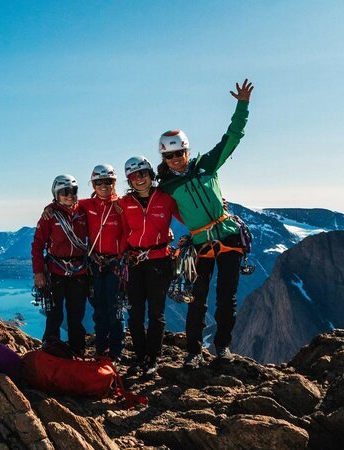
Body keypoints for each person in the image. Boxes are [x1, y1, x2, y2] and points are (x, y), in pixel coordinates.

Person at [156, 79, 254, 369]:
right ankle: (194, 352)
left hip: (228, 236)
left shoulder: (207, 164)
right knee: (197, 298)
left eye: (179, 153)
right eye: (169, 156)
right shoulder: (166, 187)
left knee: (226, 297)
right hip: (201, 243)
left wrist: (242, 105)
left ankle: (222, 347)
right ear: (164, 158)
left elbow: (232, 138)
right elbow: (156, 208)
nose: (175, 159)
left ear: (187, 151)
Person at [118, 156, 178, 375]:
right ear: (129, 180)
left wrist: (219, 208)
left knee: (156, 312)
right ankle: (140, 356)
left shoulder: (166, 198)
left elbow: (188, 216)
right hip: (135, 261)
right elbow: (122, 231)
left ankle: (152, 358)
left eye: (142, 174)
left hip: (160, 260)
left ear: (150, 174)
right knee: (134, 313)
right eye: (133, 176)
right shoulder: (124, 203)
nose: (139, 179)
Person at [31, 174, 90, 355]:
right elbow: (37, 245)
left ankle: (78, 349)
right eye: (64, 192)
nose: (69, 195)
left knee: (76, 313)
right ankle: (51, 348)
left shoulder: (84, 212)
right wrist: (38, 273)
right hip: (56, 271)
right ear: (56, 194)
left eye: (73, 191)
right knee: (54, 314)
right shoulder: (49, 216)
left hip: (79, 272)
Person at [78, 164, 126, 359]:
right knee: (99, 307)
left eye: (108, 181)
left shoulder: (122, 205)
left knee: (115, 307)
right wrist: (49, 208)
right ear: (93, 185)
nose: (104, 186)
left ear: (114, 183)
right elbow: (64, 205)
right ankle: (101, 348)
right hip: (96, 263)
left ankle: (115, 350)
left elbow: (133, 226)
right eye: (99, 182)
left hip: (116, 263)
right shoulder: (86, 205)